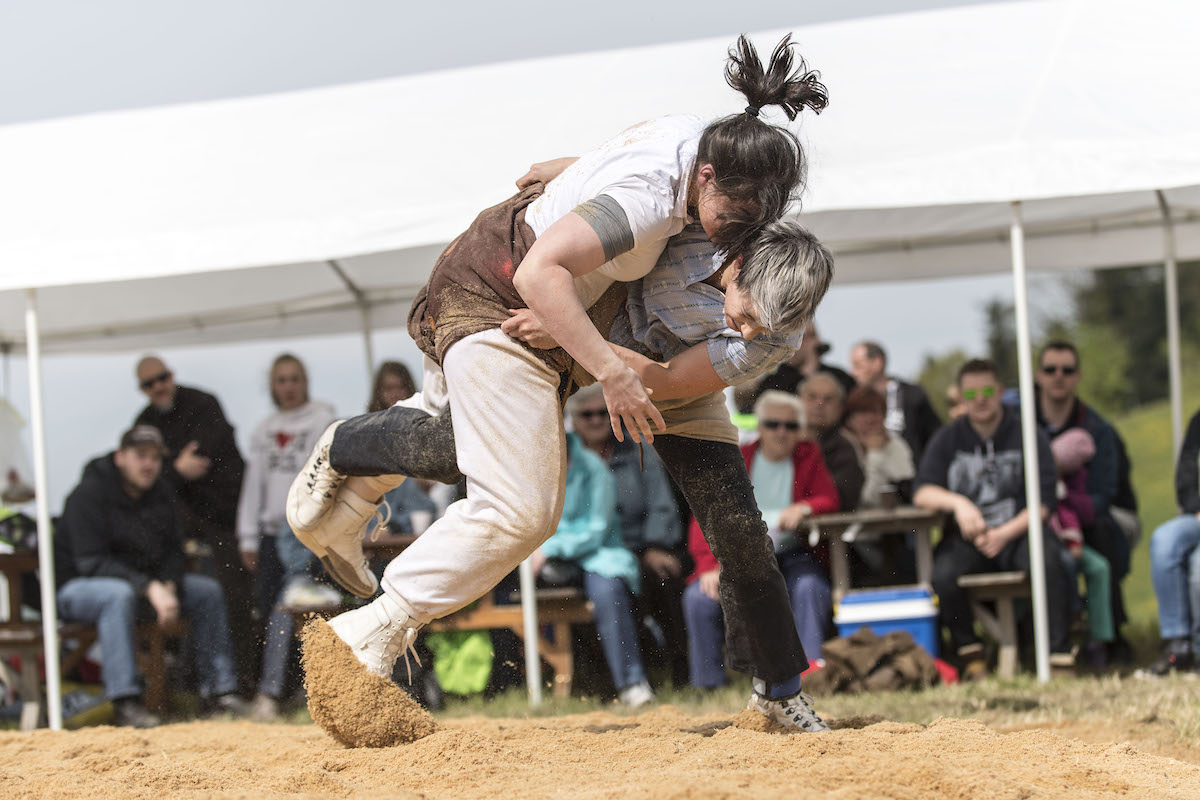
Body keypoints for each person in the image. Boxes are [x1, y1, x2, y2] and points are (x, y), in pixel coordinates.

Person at [292, 36, 835, 731]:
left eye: (771, 333)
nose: (755, 336)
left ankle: (781, 692)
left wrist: (594, 345)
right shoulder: (687, 200)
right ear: (734, 255)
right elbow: (622, 197)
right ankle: (351, 457)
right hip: (549, 300)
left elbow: (665, 380)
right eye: (749, 317)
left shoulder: (762, 289)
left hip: (624, 346)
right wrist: (576, 208)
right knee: (468, 457)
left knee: (737, 521)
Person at [54, 426, 246, 727]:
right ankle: (125, 702)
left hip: (145, 589)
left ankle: (220, 693)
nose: (148, 465)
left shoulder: (162, 494)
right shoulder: (88, 494)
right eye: (140, 456)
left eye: (155, 458)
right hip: (78, 590)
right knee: (117, 595)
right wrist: (150, 587)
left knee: (206, 591)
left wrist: (168, 584)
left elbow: (174, 551)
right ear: (120, 457)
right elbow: (91, 562)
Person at [915, 359, 1073, 679]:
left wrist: (1005, 533)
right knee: (943, 574)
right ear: (960, 397)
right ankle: (971, 655)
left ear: (1000, 392)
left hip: (1019, 531)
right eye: (971, 393)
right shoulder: (947, 438)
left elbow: (1045, 502)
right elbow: (922, 491)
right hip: (969, 538)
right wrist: (959, 504)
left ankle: (1059, 656)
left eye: (987, 390)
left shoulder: (1027, 434)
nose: (980, 399)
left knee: (1052, 562)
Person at [684, 390, 838, 688]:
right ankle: (708, 684)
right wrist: (708, 564)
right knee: (698, 597)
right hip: (739, 555)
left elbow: (829, 498)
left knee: (810, 587)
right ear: (760, 426)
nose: (781, 432)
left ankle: (812, 675)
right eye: (773, 424)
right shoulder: (738, 459)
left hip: (792, 553)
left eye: (790, 426)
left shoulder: (809, 455)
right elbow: (704, 515)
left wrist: (805, 507)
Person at [133, 355, 254, 688]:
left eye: (162, 377)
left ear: (171, 376)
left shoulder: (202, 402)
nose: (158, 386)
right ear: (142, 389)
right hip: (181, 528)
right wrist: (174, 469)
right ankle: (194, 682)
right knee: (190, 603)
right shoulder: (144, 422)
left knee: (234, 598)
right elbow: (146, 475)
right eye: (149, 383)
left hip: (226, 520)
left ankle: (242, 680)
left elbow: (200, 458)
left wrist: (168, 470)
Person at [235, 354, 338, 721]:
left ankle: (277, 694)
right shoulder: (264, 430)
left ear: (304, 382)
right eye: (282, 380)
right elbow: (254, 485)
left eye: (295, 379)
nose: (289, 386)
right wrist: (247, 536)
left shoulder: (323, 419)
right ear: (273, 386)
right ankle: (287, 689)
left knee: (295, 609)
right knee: (270, 613)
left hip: (308, 532)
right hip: (269, 533)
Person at [567, 383, 686, 687]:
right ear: (572, 417)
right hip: (579, 554)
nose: (596, 420)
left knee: (667, 579)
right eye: (587, 414)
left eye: (603, 414)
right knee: (604, 588)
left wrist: (655, 545)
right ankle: (601, 680)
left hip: (638, 547)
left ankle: (683, 674)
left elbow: (662, 503)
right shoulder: (561, 455)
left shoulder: (638, 449)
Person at [531, 432, 653, 706]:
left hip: (599, 556)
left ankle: (633, 684)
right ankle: (524, 686)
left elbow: (595, 531)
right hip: (550, 562)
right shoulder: (532, 468)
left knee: (608, 591)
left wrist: (550, 548)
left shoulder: (595, 469)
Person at [1033, 341, 1129, 643]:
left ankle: (1111, 634)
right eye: (1050, 369)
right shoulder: (1021, 423)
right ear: (1038, 376)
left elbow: (1103, 497)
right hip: (1038, 518)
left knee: (1104, 534)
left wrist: (1061, 501)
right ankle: (1037, 637)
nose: (1058, 376)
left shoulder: (1098, 428)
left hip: (1090, 517)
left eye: (1067, 370)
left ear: (1078, 376)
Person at [1047, 428, 1113, 670]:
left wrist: (1073, 538)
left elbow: (1078, 514)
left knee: (1099, 567)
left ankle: (1099, 639)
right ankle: (1072, 614)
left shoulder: (1074, 479)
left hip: (1069, 540)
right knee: (1062, 563)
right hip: (1043, 543)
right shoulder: (1036, 468)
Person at [1144, 408, 1200, 676]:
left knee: (1199, 567)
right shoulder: (1198, 422)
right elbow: (1186, 478)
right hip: (1198, 517)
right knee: (1165, 539)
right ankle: (1178, 646)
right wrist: (1195, 508)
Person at [849, 341, 942, 463]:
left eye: (858, 366)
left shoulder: (912, 395)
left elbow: (934, 436)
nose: (853, 373)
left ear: (877, 363)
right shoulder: (851, 398)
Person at [733, 320, 854, 412]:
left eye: (812, 336)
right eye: (803, 337)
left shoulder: (836, 375)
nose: (808, 343)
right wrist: (808, 369)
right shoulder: (775, 380)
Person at [799, 372, 864, 511]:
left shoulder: (845, 448)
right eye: (812, 397)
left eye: (828, 399)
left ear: (840, 409)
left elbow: (841, 498)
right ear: (798, 401)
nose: (819, 404)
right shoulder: (783, 438)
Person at [842, 386, 915, 509]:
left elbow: (905, 488)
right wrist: (874, 454)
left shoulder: (896, 445)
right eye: (863, 412)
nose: (870, 419)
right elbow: (868, 500)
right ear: (849, 419)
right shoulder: (843, 447)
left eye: (876, 412)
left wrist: (876, 453)